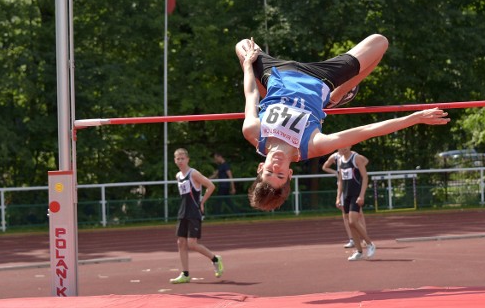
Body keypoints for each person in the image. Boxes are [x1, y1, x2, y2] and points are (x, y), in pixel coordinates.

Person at [237, 34, 450, 212]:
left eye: (269, 172)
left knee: (243, 46)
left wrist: (248, 65)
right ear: (290, 174)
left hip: (278, 73)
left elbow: (251, 94)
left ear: (260, 167)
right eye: (280, 174)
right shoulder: (312, 145)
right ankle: (334, 94)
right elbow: (366, 131)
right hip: (319, 78)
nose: (276, 166)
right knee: (380, 42)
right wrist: (416, 118)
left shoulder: (254, 131)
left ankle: (333, 99)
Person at [170, 148, 224, 284]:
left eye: (183, 158)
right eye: (178, 158)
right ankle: (185, 274)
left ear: (187, 159)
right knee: (180, 242)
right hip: (183, 212)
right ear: (175, 160)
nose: (180, 161)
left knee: (192, 244)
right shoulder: (178, 176)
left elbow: (211, 186)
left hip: (194, 212)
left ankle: (215, 259)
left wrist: (202, 202)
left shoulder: (193, 173)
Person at [322, 148, 368, 250]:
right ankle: (352, 239)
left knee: (358, 214)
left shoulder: (353, 155)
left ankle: (365, 239)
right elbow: (324, 167)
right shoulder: (335, 156)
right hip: (342, 186)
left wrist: (357, 169)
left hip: (352, 186)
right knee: (346, 215)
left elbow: (365, 161)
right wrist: (336, 173)